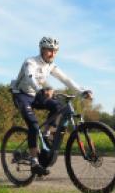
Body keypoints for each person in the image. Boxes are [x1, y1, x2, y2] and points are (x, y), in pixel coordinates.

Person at [11, 36, 93, 176]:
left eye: (55, 51)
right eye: (50, 50)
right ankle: (34, 161)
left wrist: (82, 91)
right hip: (21, 94)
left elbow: (66, 79)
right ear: (42, 50)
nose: (53, 54)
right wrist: (42, 89)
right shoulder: (30, 62)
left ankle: (47, 133)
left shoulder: (51, 66)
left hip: (36, 94)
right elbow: (30, 77)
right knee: (33, 124)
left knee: (59, 106)